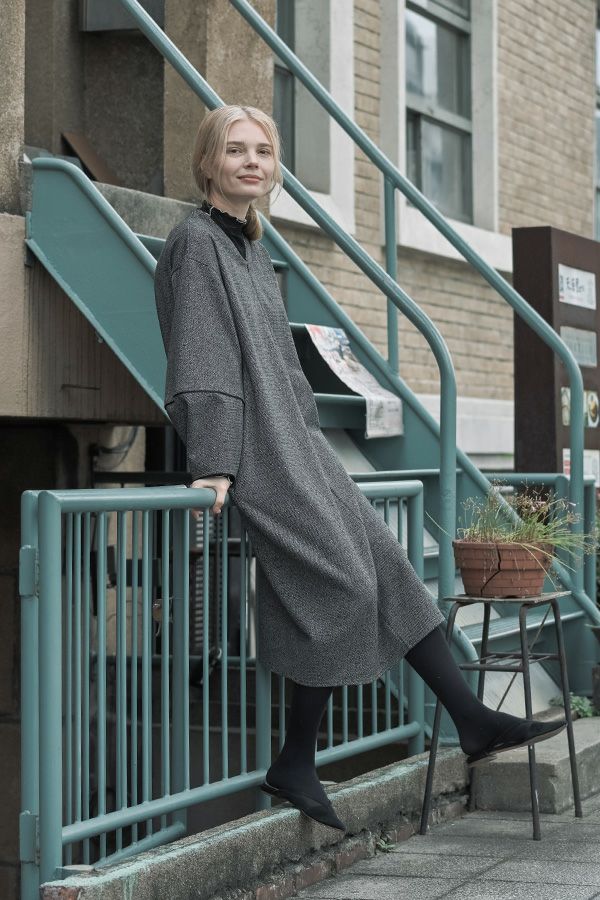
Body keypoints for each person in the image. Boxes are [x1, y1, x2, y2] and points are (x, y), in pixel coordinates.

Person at [153, 105, 566, 833]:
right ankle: (295, 760)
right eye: (236, 150)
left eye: (263, 151)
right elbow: (202, 357)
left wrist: (313, 439)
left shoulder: (251, 244)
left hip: (300, 444)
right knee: (343, 583)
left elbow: (283, 364)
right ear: (208, 162)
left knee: (390, 569)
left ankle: (471, 721)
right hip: (254, 452)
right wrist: (214, 463)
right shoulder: (197, 242)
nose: (252, 162)